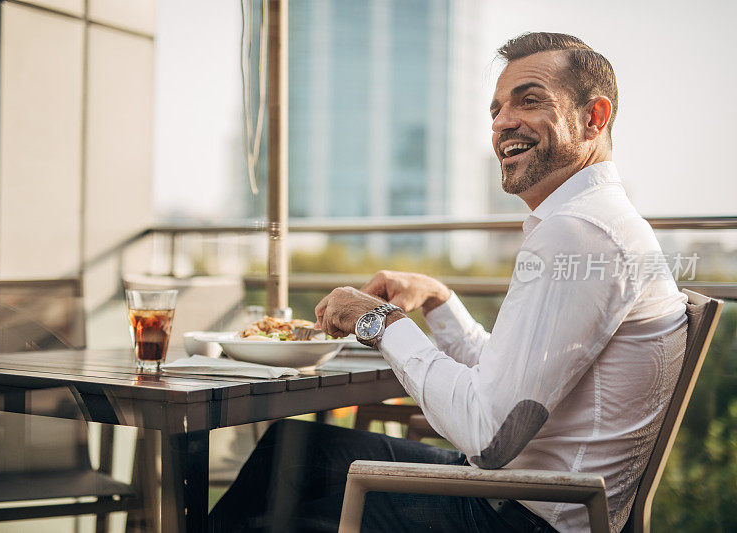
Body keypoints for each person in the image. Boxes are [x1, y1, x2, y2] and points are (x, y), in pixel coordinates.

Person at [210, 32, 687, 532]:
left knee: (276, 519)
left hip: (522, 513)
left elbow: (487, 434)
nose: (503, 122)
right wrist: (439, 300)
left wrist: (378, 321)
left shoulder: (580, 233)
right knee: (289, 451)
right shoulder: (590, 221)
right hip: (516, 490)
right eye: (497, 109)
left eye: (529, 101)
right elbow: (505, 384)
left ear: (595, 117)